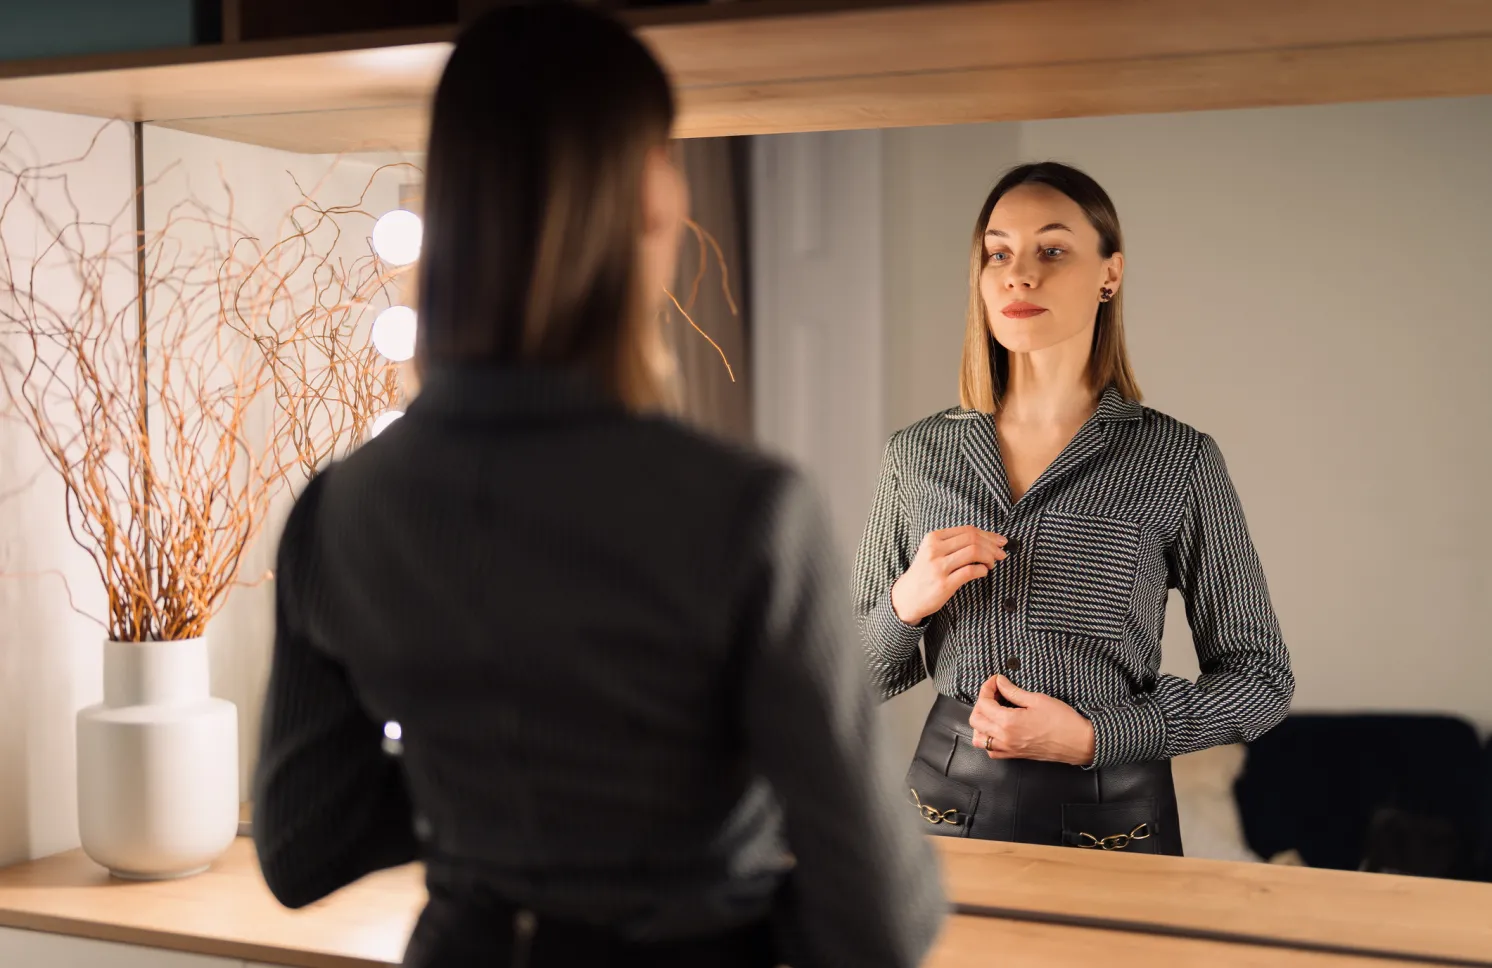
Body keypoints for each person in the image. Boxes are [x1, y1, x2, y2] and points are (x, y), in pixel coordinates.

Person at [252, 4, 944, 967]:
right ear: (650, 197)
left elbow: (301, 844)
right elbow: (882, 921)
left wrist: (488, 776)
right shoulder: (745, 514)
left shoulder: (337, 511)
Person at [854, 161, 1294, 855]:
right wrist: (907, 602)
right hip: (938, 816)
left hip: (1115, 821)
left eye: (1051, 250)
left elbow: (1260, 682)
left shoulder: (1178, 461)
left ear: (1109, 274)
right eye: (999, 252)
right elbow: (847, 680)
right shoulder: (916, 456)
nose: (1018, 275)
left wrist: (1095, 736)